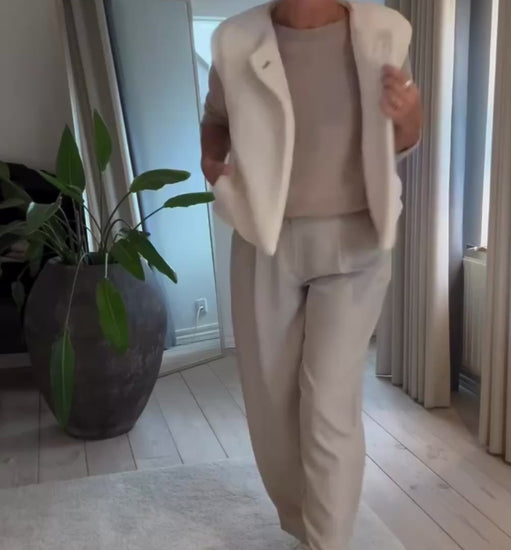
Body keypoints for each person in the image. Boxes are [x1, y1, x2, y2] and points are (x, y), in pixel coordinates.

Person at [201, 1, 422, 548]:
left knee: (327, 402)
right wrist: (213, 166)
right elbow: (216, 121)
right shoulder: (235, 40)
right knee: (272, 407)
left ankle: (330, 540)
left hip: (357, 241)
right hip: (265, 240)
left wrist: (409, 117)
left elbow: (401, 137)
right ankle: (304, 524)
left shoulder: (385, 32)